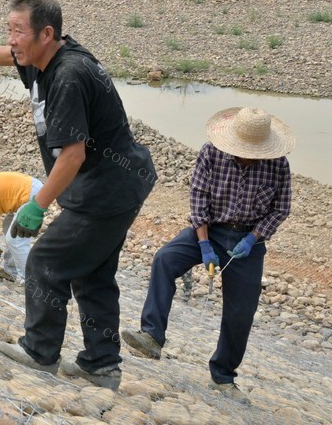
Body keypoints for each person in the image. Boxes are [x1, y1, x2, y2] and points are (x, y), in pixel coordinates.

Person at [0, 0, 156, 389]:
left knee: (44, 263)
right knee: (93, 275)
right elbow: (7, 55)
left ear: (46, 34)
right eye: (9, 29)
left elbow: (72, 155)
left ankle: (40, 351)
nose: (12, 39)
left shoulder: (68, 75)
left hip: (107, 189)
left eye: (18, 31)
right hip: (116, 184)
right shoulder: (40, 58)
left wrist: (37, 205)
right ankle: (100, 365)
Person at [122, 107, 293, 403]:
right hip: (209, 229)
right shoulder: (212, 153)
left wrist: (253, 239)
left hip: (247, 240)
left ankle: (223, 375)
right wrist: (203, 244)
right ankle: (152, 335)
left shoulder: (278, 165)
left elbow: (281, 209)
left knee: (241, 312)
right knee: (165, 260)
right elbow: (198, 197)